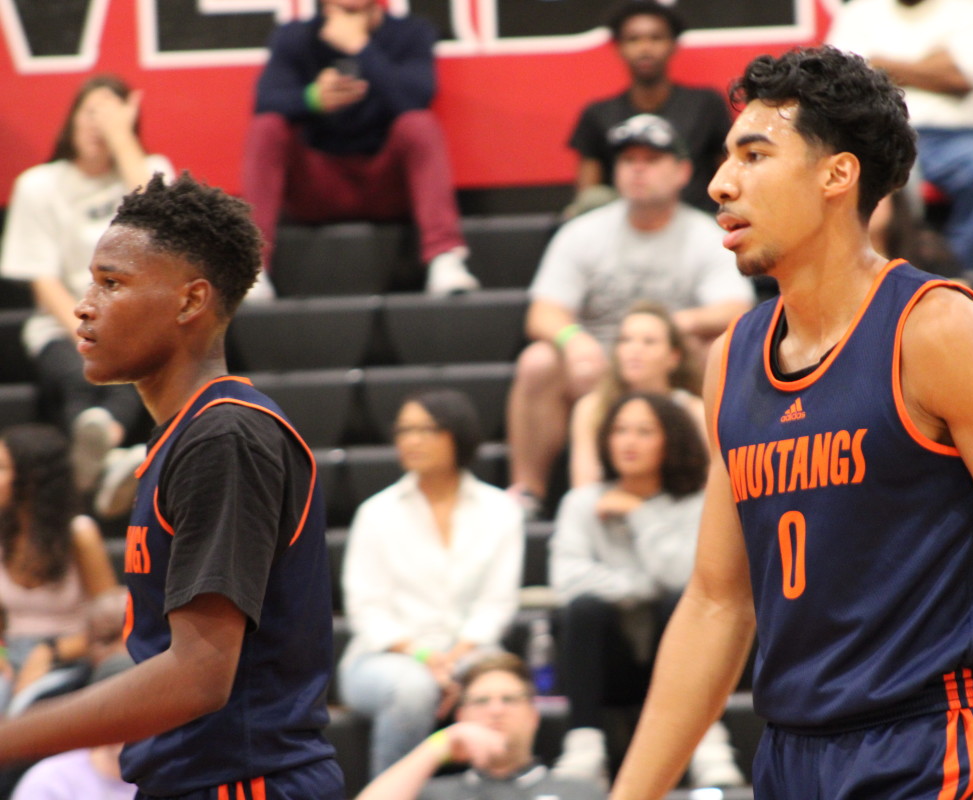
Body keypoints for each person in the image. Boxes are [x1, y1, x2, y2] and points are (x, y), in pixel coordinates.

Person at [608, 47, 973, 799]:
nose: (721, 183)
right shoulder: (731, 359)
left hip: (927, 748)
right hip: (789, 757)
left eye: (754, 155)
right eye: (726, 158)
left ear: (836, 175)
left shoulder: (936, 331)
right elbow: (720, 601)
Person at [0, 172, 344, 799]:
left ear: (190, 302)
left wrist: (10, 736)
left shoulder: (225, 437)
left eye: (112, 283)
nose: (83, 304)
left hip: (245, 784)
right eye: (89, 282)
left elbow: (199, 676)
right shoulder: (190, 434)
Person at [508, 113, 754, 514]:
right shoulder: (582, 233)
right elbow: (542, 313)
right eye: (628, 160)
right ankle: (528, 492)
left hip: (672, 361)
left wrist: (674, 328)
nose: (638, 169)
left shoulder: (706, 236)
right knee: (538, 361)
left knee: (720, 351)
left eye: (651, 160)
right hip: (599, 362)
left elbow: (736, 308)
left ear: (682, 171)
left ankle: (727, 490)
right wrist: (573, 340)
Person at [550, 393, 743, 789]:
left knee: (681, 603)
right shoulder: (582, 502)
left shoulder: (698, 502)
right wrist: (638, 587)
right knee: (583, 610)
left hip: (676, 652)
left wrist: (639, 516)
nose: (628, 442)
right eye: (619, 431)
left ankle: (708, 743)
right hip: (611, 661)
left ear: (670, 440)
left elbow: (688, 581)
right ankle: (584, 746)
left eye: (643, 431)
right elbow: (566, 578)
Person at [0, 75, 173, 493]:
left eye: (112, 117)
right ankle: (111, 455)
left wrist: (122, 141)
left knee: (138, 358)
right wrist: (90, 326)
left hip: (137, 320)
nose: (99, 125)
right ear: (73, 118)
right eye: (92, 112)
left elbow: (158, 217)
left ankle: (100, 446)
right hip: (65, 324)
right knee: (83, 368)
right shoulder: (39, 185)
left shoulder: (153, 170)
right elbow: (43, 280)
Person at [340, 390, 525, 777]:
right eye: (404, 430)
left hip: (471, 651)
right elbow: (367, 610)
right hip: (385, 658)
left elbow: (497, 604)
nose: (411, 440)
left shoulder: (501, 510)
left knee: (495, 688)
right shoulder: (376, 513)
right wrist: (427, 659)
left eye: (426, 430)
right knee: (412, 689)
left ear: (457, 436)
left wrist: (453, 660)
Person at [244, 0, 479, 295]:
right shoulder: (295, 36)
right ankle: (252, 268)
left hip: (385, 184)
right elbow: (265, 102)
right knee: (267, 127)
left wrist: (360, 47)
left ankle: (445, 257)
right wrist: (312, 99)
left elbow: (416, 98)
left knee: (419, 124)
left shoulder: (411, 33)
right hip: (318, 186)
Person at [825, 0, 973, 276]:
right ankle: (904, 278)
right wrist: (936, 64)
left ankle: (953, 273)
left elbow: (965, 76)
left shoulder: (968, 8)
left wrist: (882, 65)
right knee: (889, 179)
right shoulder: (860, 11)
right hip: (884, 133)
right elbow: (841, 81)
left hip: (960, 136)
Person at [356, 652, 605, 800]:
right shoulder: (433, 793)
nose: (496, 711)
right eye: (481, 701)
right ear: (462, 717)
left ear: (533, 716)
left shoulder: (578, 792)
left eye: (509, 700)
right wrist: (440, 744)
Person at [566, 0, 729, 215]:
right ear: (619, 47)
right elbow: (587, 199)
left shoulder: (706, 105)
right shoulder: (598, 114)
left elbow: (730, 177)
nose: (645, 48)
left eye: (656, 37)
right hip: (626, 234)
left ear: (673, 43)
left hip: (700, 229)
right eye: (634, 39)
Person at [0, 424, 118, 716]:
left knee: (24, 714)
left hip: (69, 656)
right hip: (10, 655)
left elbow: (114, 624)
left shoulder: (79, 534)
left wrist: (49, 653)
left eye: (2, 468)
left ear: (31, 478)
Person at [9, 589, 137, 800]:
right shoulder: (50, 699)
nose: (120, 649)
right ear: (86, 645)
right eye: (107, 639)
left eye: (129, 637)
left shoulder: (180, 700)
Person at [569, 301, 703, 488]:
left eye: (649, 341)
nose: (635, 349)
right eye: (625, 340)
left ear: (674, 357)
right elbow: (584, 486)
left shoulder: (695, 411)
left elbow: (709, 485)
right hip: (608, 509)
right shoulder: (591, 408)